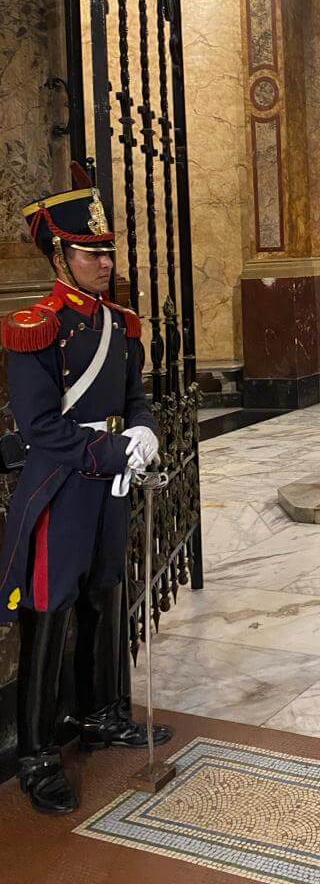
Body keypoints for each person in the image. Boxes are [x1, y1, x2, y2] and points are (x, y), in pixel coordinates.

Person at [0, 164, 171, 814]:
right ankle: (38, 753)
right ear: (58, 254)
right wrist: (112, 449)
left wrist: (146, 431)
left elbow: (135, 398)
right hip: (63, 487)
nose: (105, 262)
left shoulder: (121, 326)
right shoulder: (36, 327)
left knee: (104, 595)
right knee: (49, 612)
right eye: (91, 252)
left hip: (110, 481)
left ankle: (101, 714)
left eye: (107, 251)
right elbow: (42, 428)